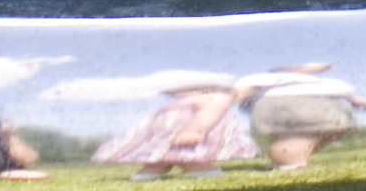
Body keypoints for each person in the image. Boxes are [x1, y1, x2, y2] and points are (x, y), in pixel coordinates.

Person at [91, 76, 258, 179]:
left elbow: (211, 111)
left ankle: (191, 169)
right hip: (175, 132)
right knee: (173, 153)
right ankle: (158, 168)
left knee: (182, 153)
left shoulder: (210, 97)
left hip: (183, 131)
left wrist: (195, 129)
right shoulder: (206, 97)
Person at [236, 64, 366, 170]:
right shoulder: (266, 77)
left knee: (298, 136)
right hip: (299, 105)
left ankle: (287, 160)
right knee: (304, 135)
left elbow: (350, 96)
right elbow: (242, 90)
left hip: (304, 106)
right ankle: (291, 161)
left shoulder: (320, 81)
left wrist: (358, 100)